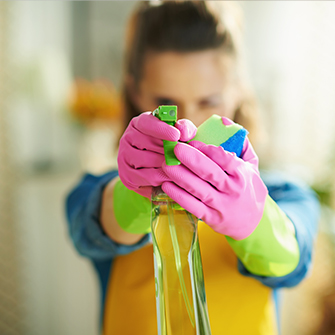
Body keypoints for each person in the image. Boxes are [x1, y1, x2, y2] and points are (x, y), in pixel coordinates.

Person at [65, 2, 320, 334]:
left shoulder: (287, 193)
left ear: (238, 91)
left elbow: (291, 263)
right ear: (135, 92)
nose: (188, 123)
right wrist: (140, 191)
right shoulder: (95, 193)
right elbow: (93, 226)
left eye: (209, 101)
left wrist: (255, 219)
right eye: (164, 102)